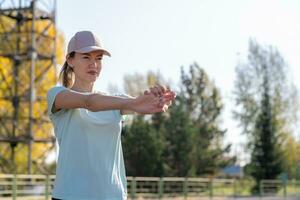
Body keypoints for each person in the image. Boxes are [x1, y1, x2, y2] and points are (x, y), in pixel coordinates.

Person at [47, 30, 176, 200]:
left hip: (113, 196)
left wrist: (154, 101)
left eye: (99, 58)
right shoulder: (57, 95)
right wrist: (134, 103)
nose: (94, 64)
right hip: (71, 195)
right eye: (86, 57)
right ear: (70, 60)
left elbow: (137, 103)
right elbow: (90, 102)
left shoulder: (116, 101)